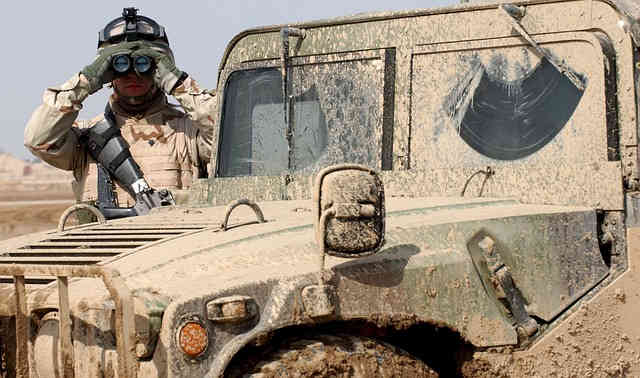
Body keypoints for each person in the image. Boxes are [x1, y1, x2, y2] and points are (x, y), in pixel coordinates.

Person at [24, 8, 214, 207]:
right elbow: (37, 139)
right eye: (120, 66)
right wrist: (85, 81)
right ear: (107, 75)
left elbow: (233, 136)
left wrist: (178, 83)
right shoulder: (87, 137)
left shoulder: (189, 133)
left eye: (144, 65)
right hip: (104, 238)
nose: (132, 74)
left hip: (175, 236)